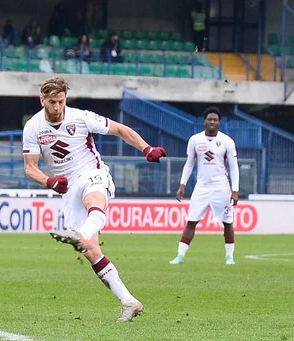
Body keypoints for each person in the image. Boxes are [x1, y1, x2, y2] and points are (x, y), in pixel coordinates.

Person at [22, 76, 166, 322]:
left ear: (65, 98)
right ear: (42, 100)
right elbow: (30, 167)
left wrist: (146, 148)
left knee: (94, 203)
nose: (57, 108)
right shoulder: (33, 127)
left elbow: (120, 129)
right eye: (52, 103)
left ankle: (81, 234)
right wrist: (49, 181)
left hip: (92, 173)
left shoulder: (81, 117)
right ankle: (129, 302)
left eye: (61, 101)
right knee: (91, 252)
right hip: (67, 188)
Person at [170, 107, 239, 265]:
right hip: (201, 187)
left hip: (221, 187)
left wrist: (235, 190)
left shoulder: (227, 141)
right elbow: (189, 163)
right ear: (205, 121)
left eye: (215, 119)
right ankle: (180, 256)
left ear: (219, 122)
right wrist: (182, 185)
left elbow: (234, 166)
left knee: (227, 222)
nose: (212, 122)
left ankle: (229, 257)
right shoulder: (195, 140)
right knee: (191, 221)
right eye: (210, 119)